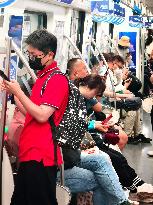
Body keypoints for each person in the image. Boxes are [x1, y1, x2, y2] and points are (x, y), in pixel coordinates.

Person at [67, 58, 153, 198]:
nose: (87, 70)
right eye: (84, 68)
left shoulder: (81, 93)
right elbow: (76, 121)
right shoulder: (73, 95)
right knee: (112, 156)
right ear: (76, 73)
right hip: (83, 137)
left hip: (88, 131)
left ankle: (135, 183)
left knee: (117, 156)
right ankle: (130, 187)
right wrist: (94, 125)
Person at [1, 29, 69, 205]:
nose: (31, 58)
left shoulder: (57, 80)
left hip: (41, 154)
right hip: (29, 150)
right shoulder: (42, 78)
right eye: (29, 53)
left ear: (49, 54)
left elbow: (41, 115)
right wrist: (14, 95)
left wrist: (19, 92)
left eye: (34, 54)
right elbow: (31, 113)